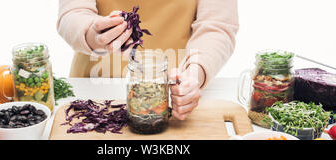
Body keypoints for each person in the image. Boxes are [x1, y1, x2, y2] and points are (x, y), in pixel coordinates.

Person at [57, 0, 239, 120]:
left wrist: (193, 76)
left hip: (170, 88)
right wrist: (94, 34)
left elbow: (217, 26)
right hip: (94, 86)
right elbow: (72, 13)